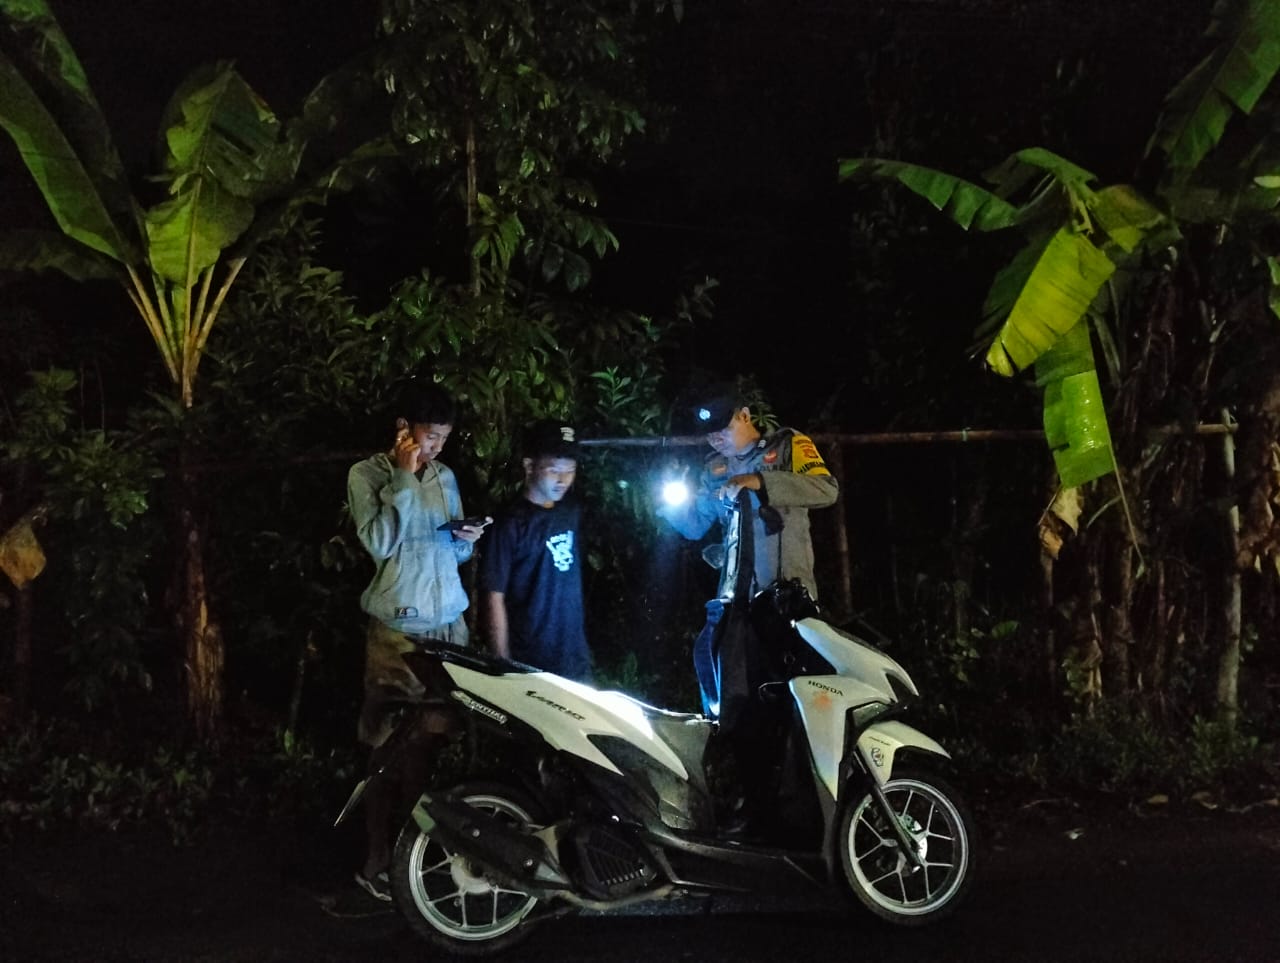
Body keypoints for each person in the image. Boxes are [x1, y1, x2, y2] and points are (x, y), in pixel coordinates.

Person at [345, 382, 490, 902]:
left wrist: (464, 539)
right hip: (398, 633)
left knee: (432, 746)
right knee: (388, 746)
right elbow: (380, 542)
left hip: (448, 626)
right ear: (403, 430)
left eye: (444, 440)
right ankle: (376, 861)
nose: (436, 449)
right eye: (430, 438)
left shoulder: (444, 476)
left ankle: (417, 862)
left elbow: (451, 553)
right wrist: (405, 478)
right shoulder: (368, 475)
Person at [657, 381, 839, 718]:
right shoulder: (715, 468)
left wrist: (761, 482)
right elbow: (695, 526)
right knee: (730, 687)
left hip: (788, 599)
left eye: (722, 429)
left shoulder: (788, 445)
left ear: (744, 415)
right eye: (710, 434)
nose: (716, 439)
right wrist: (667, 502)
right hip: (738, 603)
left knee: (790, 695)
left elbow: (826, 490)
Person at [478, 420, 593, 683]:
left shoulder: (570, 513)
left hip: (574, 657)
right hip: (529, 659)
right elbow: (494, 595)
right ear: (529, 466)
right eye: (554, 470)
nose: (563, 480)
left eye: (570, 470)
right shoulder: (509, 523)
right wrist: (503, 663)